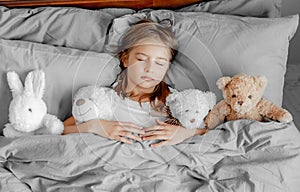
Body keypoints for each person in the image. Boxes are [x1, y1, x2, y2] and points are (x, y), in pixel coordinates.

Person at [63, 19, 207, 148]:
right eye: (141, 59)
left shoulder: (178, 102)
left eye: (160, 63)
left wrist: (184, 133)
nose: (150, 69)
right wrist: (95, 126)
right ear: (125, 60)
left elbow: (209, 130)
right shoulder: (105, 99)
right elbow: (62, 129)